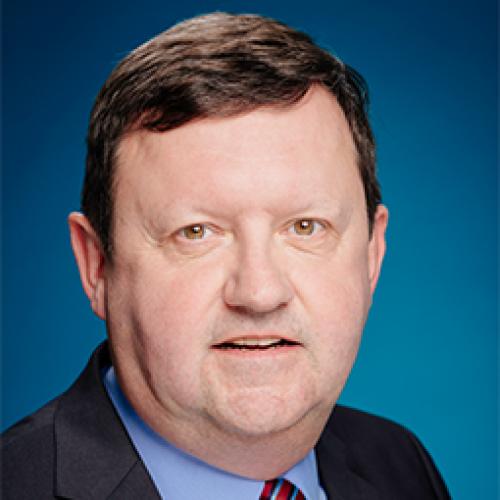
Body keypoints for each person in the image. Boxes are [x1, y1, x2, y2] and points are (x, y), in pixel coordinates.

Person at [2, 12, 450, 499]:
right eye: (196, 232)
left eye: (305, 227)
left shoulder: (399, 466)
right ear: (97, 267)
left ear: (371, 255)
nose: (260, 293)